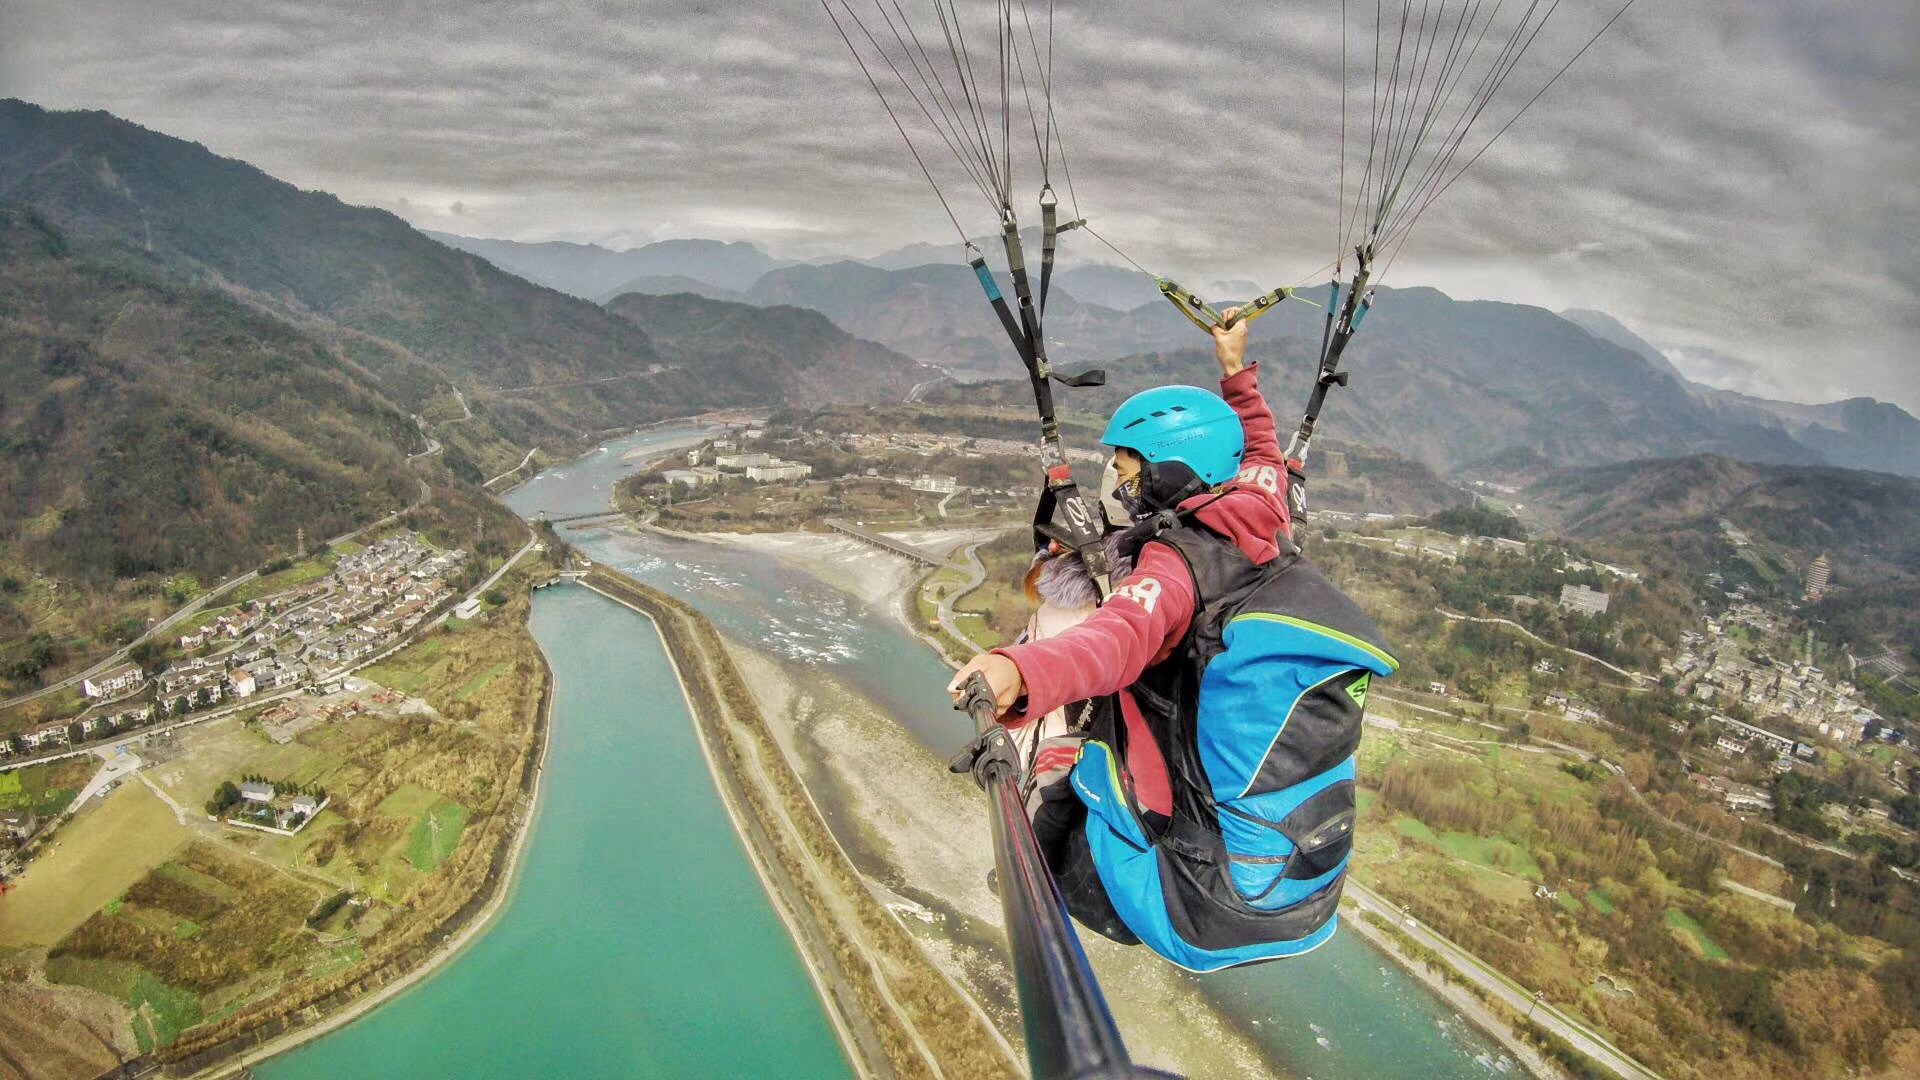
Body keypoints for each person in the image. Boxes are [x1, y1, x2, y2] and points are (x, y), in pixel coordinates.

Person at [949, 309, 1398, 970]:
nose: (1118, 477)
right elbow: (1265, 450)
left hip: (1197, 905)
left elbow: (1116, 638)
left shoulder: (1176, 564)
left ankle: (1024, 893)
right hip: (1299, 904)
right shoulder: (1261, 506)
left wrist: (1019, 671)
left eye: (1128, 462)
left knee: (1076, 777)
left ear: (1169, 469)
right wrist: (1235, 371)